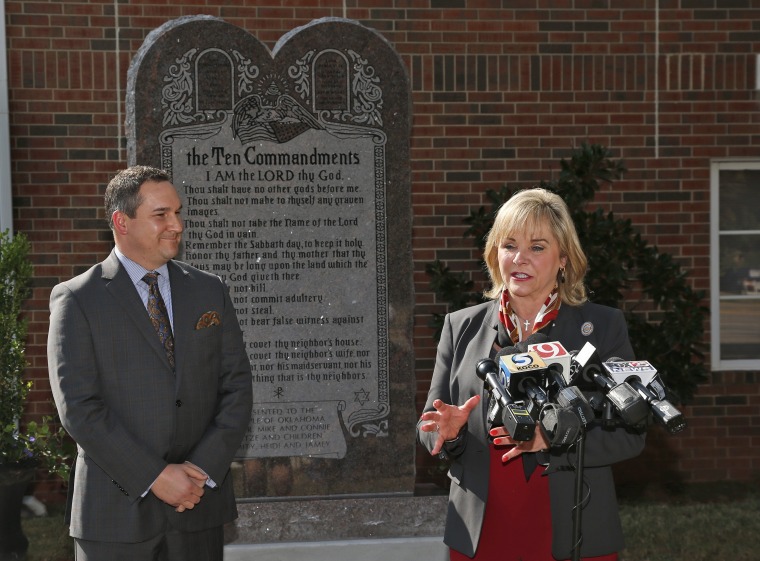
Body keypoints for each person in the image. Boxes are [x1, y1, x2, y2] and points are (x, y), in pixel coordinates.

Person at [417, 188, 646, 561]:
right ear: (495, 254)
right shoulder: (461, 327)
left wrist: (554, 439)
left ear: (563, 259)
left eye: (537, 247)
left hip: (572, 528)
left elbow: (630, 434)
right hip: (482, 529)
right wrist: (448, 432)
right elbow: (429, 425)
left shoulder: (602, 326)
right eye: (509, 245)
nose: (519, 258)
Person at [47, 165, 253, 561]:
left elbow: (237, 388)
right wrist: (155, 477)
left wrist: (198, 472)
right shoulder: (77, 299)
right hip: (115, 516)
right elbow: (79, 407)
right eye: (161, 215)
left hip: (196, 508)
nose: (175, 225)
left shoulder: (210, 291)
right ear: (121, 221)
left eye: (178, 213)